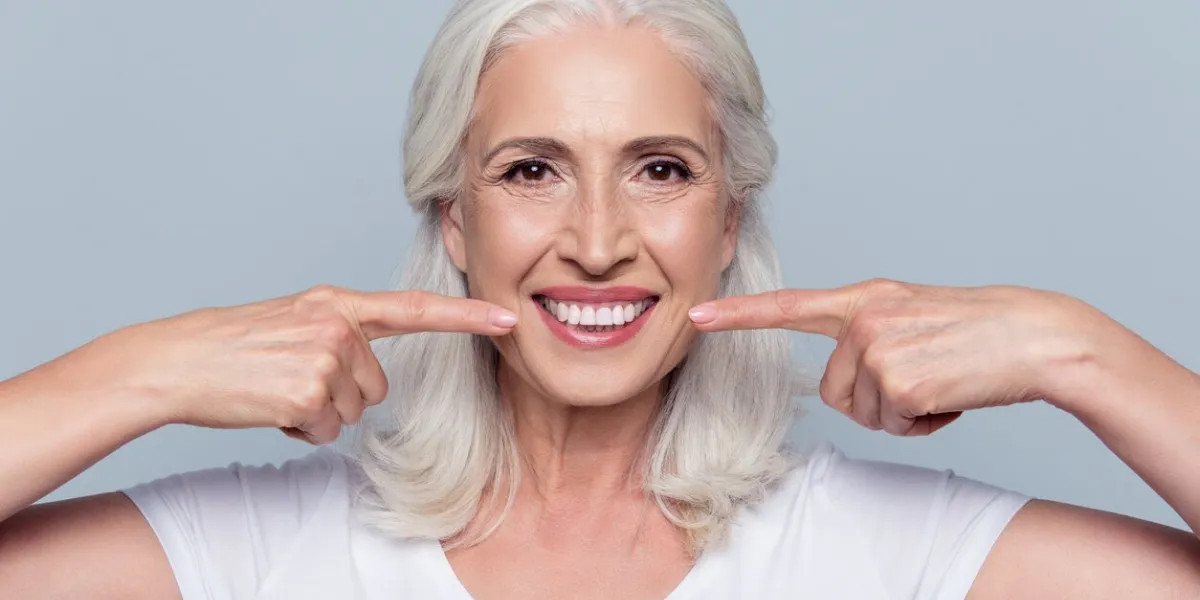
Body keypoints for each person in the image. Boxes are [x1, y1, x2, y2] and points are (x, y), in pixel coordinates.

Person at [1, 0, 1198, 597]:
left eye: (661, 171)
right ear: (452, 221)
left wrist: (1076, 351)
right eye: (531, 172)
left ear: (727, 223)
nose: (594, 242)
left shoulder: (895, 551)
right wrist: (136, 374)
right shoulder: (255, 547)